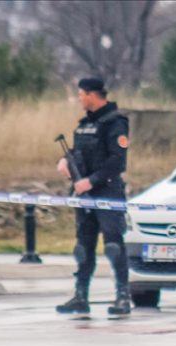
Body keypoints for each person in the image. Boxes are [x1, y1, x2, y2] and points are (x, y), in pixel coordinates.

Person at [56, 78, 131, 317]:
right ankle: (80, 295)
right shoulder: (83, 125)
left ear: (91, 94)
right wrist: (65, 161)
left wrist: (92, 180)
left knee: (113, 246)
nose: (79, 98)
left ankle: (122, 296)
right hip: (84, 193)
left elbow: (117, 162)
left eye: (81, 94)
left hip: (106, 191)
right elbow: (79, 153)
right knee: (83, 246)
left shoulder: (115, 122)